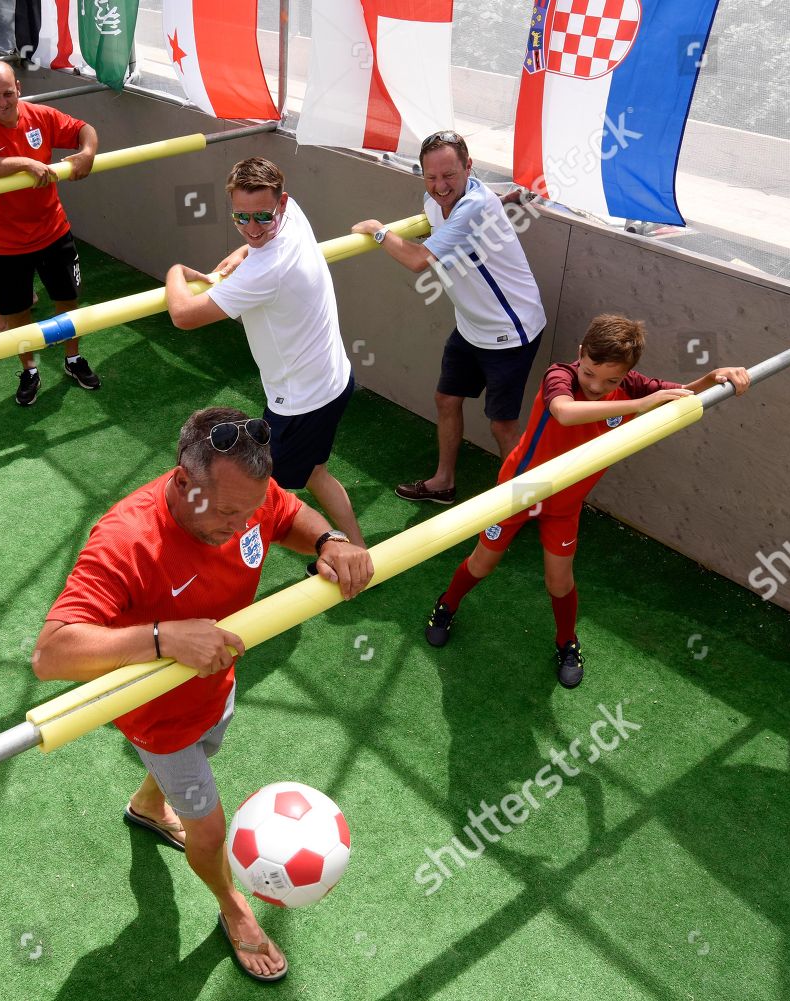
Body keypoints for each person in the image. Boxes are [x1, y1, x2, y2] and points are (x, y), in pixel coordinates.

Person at [33, 406, 374, 983]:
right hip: (158, 719)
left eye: (249, 512)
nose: (244, 527)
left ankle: (146, 805)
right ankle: (232, 908)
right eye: (227, 514)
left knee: (209, 743)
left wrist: (330, 540)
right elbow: (51, 653)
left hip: (216, 684)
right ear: (184, 481)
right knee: (210, 829)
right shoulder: (125, 542)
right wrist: (164, 637)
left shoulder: (246, 499)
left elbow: (286, 514)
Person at [423, 314, 750, 686]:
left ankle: (567, 642)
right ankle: (446, 605)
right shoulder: (560, 375)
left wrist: (713, 378)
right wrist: (639, 407)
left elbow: (681, 396)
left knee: (559, 582)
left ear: (628, 372)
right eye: (591, 372)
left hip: (567, 500)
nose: (597, 386)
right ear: (581, 354)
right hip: (520, 490)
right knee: (482, 563)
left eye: (611, 380)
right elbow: (564, 412)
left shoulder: (634, 387)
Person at [164, 157, 366, 547]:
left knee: (255, 492)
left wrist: (176, 271)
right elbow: (260, 239)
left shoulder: (266, 269)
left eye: (262, 217)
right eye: (242, 218)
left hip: (301, 402)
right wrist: (245, 250)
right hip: (334, 379)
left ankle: (316, 552)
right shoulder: (292, 217)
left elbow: (183, 316)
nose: (253, 228)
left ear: (282, 203)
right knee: (315, 473)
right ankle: (356, 549)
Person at [351, 130, 546, 507]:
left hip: (511, 330)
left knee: (502, 424)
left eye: (449, 176)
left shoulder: (474, 205)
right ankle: (443, 482)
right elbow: (446, 224)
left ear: (468, 168)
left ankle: (525, 504)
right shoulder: (435, 200)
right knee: (446, 398)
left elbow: (416, 260)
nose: (440, 186)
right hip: (472, 325)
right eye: (431, 176)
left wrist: (378, 231)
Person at [0, 60, 101, 406]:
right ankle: (30, 369)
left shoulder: (40, 116)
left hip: (53, 230)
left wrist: (87, 153)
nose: (2, 102)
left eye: (8, 93)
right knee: (17, 313)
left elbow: (85, 129)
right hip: (6, 243)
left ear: (19, 89)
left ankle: (72, 359)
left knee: (68, 300)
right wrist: (24, 162)